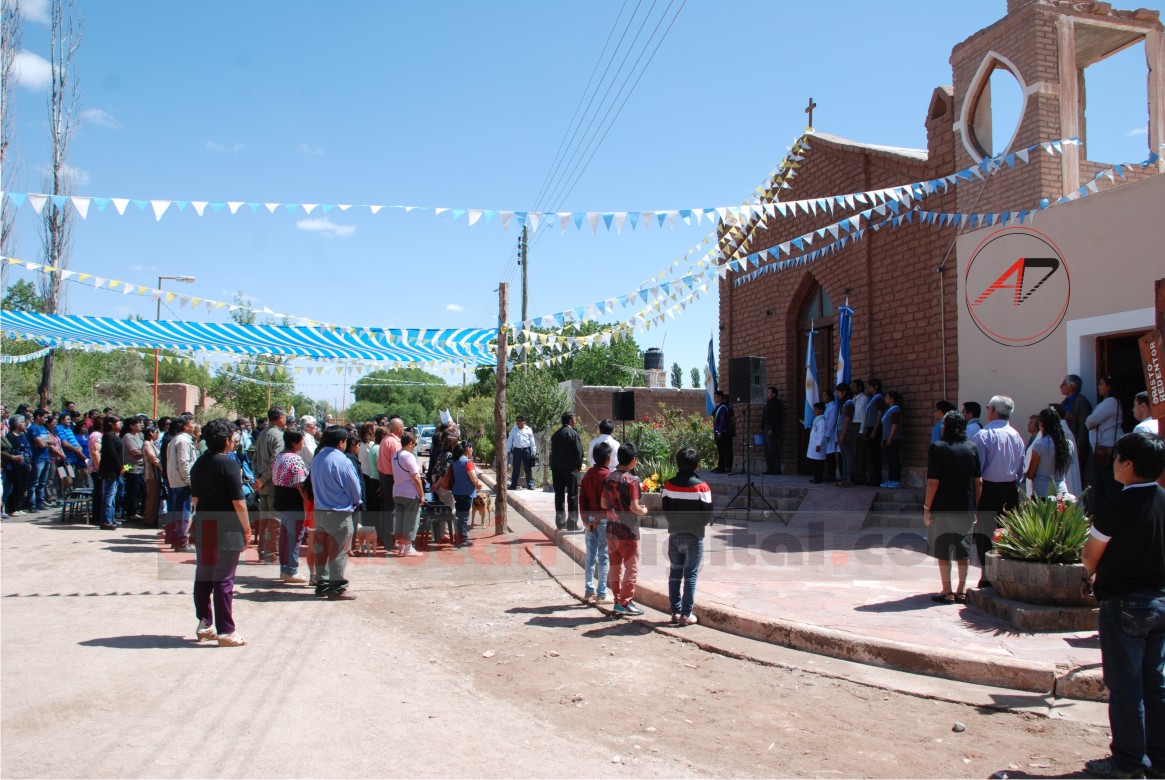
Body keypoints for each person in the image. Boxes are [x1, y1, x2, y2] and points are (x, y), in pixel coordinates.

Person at [1080, 432, 1165, 779]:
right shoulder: (1162, 500)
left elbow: (1090, 554)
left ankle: (1128, 762)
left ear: (1128, 464)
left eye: (1117, 458)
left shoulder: (1117, 504)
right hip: (1159, 600)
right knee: (1155, 683)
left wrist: (1090, 575)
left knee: (1126, 685)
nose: (1113, 464)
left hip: (1125, 603)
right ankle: (1159, 758)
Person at [190, 419, 252, 647]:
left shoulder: (198, 464)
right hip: (227, 528)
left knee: (204, 576)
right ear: (226, 440)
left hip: (205, 525)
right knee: (224, 580)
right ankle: (226, 630)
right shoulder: (229, 465)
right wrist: (247, 529)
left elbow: (195, 500)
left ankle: (205, 623)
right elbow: (239, 502)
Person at [923, 410, 982, 604]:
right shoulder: (971, 447)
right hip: (965, 506)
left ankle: (947, 591)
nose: (941, 426)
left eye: (943, 423)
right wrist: (976, 507)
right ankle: (961, 590)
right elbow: (978, 482)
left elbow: (933, 481)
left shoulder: (937, 447)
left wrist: (927, 507)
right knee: (963, 549)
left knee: (943, 548)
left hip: (942, 506)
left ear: (947, 426)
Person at [972, 395, 1026, 588]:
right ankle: (1005, 575)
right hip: (1010, 489)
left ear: (993, 411)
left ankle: (987, 576)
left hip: (988, 488)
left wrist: (975, 497)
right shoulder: (1016, 436)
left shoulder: (984, 435)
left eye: (988, 407)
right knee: (1008, 532)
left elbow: (976, 470)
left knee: (985, 534)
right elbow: (1021, 468)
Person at [310, 425, 363, 599]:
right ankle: (337, 588)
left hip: (320, 511)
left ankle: (322, 584)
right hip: (339, 512)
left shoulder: (317, 458)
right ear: (341, 442)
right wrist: (356, 502)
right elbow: (355, 489)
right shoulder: (342, 461)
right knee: (339, 550)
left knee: (322, 549)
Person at [662, 446, 713, 625]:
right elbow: (707, 513)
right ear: (697, 465)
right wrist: (698, 525)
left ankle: (675, 612)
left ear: (677, 464)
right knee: (690, 574)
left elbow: (666, 509)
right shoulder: (702, 487)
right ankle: (686, 613)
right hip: (694, 535)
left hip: (675, 534)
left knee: (675, 573)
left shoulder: (669, 484)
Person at [602, 442, 648, 616]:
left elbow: (603, 503)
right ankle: (625, 602)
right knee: (631, 567)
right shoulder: (632, 480)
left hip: (611, 530)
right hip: (628, 531)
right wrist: (644, 511)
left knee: (615, 566)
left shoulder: (609, 478)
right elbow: (635, 507)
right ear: (634, 460)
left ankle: (617, 600)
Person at [272, 429, 311, 584]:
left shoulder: (279, 457)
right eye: (302, 441)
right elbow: (301, 485)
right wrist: (307, 504)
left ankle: (285, 568)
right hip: (293, 503)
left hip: (281, 501)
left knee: (286, 536)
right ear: (295, 443)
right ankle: (290, 570)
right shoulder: (295, 459)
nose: (303, 444)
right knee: (294, 537)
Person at [250, 406, 287, 564]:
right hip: (272, 483)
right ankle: (271, 553)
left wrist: (257, 478)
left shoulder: (262, 433)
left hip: (262, 482)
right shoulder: (278, 435)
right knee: (275, 519)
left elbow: (254, 458)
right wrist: (263, 479)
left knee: (264, 518)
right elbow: (276, 461)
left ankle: (262, 551)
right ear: (280, 417)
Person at [579, 441, 613, 605]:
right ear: (608, 458)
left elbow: (582, 499)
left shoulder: (588, 475)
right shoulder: (608, 476)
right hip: (604, 520)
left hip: (591, 520)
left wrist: (585, 519)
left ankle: (588, 589)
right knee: (604, 556)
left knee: (591, 554)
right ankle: (601, 593)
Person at [1087, 375, 1125, 511]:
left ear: (1109, 387)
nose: (1099, 386)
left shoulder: (1111, 402)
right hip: (1105, 447)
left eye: (1102, 384)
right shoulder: (1109, 402)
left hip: (1108, 447)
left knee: (1108, 484)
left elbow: (1091, 420)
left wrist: (1090, 423)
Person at [165, 414, 198, 551]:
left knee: (177, 511)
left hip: (176, 481)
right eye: (192, 423)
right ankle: (181, 541)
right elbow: (184, 463)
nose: (194, 425)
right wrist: (190, 481)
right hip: (182, 482)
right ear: (185, 426)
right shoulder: (183, 441)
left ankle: (176, 539)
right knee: (183, 513)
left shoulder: (176, 439)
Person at [1026, 407, 1074, 499]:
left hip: (1042, 492)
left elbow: (1030, 474)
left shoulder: (1040, 444)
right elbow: (1066, 469)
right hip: (1061, 491)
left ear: (1041, 424)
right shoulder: (1068, 444)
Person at [391, 431, 425, 558]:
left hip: (397, 491)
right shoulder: (409, 456)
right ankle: (408, 548)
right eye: (415, 443)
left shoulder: (395, 455)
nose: (415, 446)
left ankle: (401, 547)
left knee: (399, 520)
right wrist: (421, 494)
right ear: (410, 443)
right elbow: (416, 477)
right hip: (410, 493)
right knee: (411, 521)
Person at [549, 411, 583, 531]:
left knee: (559, 495)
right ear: (570, 421)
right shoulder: (573, 434)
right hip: (570, 469)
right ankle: (572, 523)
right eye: (574, 419)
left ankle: (560, 522)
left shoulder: (556, 434)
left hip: (557, 469)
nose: (575, 421)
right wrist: (578, 467)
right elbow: (579, 453)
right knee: (572, 495)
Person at [375, 416, 404, 549]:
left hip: (384, 477)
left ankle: (386, 536)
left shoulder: (385, 440)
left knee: (387, 507)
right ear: (398, 429)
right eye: (402, 428)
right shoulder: (394, 443)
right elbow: (398, 464)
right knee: (392, 509)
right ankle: (391, 538)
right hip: (391, 478)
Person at [450, 440, 483, 549]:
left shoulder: (455, 461)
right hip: (466, 493)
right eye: (471, 448)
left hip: (457, 492)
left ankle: (458, 536)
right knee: (464, 517)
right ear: (467, 449)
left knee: (459, 515)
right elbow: (474, 479)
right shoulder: (467, 463)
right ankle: (462, 538)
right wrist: (478, 485)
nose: (472, 450)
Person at [97, 415, 124, 531]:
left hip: (116, 471)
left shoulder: (114, 435)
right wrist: (120, 467)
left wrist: (124, 467)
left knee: (112, 496)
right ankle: (106, 521)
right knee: (108, 496)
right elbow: (112, 455)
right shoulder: (108, 436)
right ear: (111, 424)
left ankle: (111, 518)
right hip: (110, 471)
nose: (120, 424)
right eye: (118, 422)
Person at [2, 415, 32, 517]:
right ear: (16, 424)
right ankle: (12, 509)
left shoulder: (24, 434)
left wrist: (29, 463)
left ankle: (18, 507)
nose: (24, 424)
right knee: (15, 487)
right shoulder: (10, 436)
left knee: (22, 487)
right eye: (22, 422)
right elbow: (11, 451)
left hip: (25, 465)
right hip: (15, 466)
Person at [25, 408, 53, 512]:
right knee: (34, 482)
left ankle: (40, 503)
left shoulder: (43, 428)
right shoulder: (33, 428)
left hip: (46, 457)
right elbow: (41, 444)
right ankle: (32, 504)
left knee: (42, 483)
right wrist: (44, 443)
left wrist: (44, 442)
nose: (46, 419)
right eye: (44, 417)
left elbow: (52, 441)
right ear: (38, 417)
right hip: (37, 458)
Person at [121, 416, 146, 523]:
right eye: (138, 423)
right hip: (131, 466)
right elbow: (133, 452)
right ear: (131, 426)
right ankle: (131, 512)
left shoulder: (141, 435)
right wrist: (147, 452)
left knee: (139, 490)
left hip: (142, 467)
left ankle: (137, 510)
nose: (141, 425)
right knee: (132, 489)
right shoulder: (128, 437)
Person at [880, 391, 904, 489]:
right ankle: (891, 478)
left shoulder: (896, 409)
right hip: (887, 438)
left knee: (894, 459)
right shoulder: (888, 410)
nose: (885, 398)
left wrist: (890, 438)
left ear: (892, 399)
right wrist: (884, 439)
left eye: (886, 397)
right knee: (889, 459)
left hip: (894, 439)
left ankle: (896, 479)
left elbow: (895, 425)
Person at [505, 416, 537, 490]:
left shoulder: (528, 430)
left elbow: (532, 441)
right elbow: (510, 441)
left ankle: (530, 485)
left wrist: (533, 451)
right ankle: (513, 485)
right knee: (516, 468)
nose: (518, 422)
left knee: (527, 468)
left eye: (519, 421)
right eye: (517, 421)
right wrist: (507, 451)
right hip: (517, 451)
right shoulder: (514, 430)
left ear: (524, 421)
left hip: (526, 450)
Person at [864, 379, 885, 487]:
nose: (868, 388)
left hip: (875, 428)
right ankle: (873, 476)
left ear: (876, 386)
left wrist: (875, 430)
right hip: (869, 427)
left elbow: (879, 415)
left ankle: (877, 477)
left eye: (869, 386)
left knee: (876, 453)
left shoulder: (879, 398)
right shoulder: (871, 399)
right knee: (871, 454)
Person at [142, 425, 163, 529]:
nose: (158, 434)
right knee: (152, 498)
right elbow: (152, 458)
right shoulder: (147, 444)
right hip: (151, 475)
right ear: (151, 433)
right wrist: (161, 467)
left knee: (155, 498)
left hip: (155, 475)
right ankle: (149, 520)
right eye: (156, 432)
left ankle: (152, 518)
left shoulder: (152, 444)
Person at [836, 383, 856, 487]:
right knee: (843, 455)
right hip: (840, 431)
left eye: (838, 392)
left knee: (848, 455)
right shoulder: (843, 403)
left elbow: (847, 419)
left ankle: (849, 478)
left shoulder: (849, 403)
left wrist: (843, 434)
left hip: (846, 432)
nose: (837, 394)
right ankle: (844, 476)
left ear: (844, 392)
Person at [712, 391, 735, 474]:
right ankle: (720, 466)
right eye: (714, 397)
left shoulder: (723, 407)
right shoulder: (718, 407)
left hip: (723, 432)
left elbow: (723, 421)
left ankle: (723, 467)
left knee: (723, 450)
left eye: (716, 397)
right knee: (720, 450)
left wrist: (719, 432)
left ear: (720, 397)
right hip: (718, 432)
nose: (714, 398)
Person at [762, 386, 784, 475]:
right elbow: (764, 416)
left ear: (774, 394)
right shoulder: (768, 403)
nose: (767, 394)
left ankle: (776, 469)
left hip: (772, 428)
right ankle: (770, 468)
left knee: (773, 449)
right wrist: (761, 428)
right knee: (766, 449)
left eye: (769, 392)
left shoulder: (776, 403)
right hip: (766, 427)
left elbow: (776, 417)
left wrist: (772, 429)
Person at [850, 380, 868, 483]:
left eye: (854, 386)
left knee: (860, 453)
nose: (852, 388)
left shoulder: (864, 399)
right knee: (853, 452)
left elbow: (864, 415)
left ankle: (860, 476)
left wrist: (861, 430)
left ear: (860, 388)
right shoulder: (852, 399)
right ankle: (854, 474)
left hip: (859, 426)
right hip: (852, 426)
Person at [806, 401, 827, 483]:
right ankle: (816, 477)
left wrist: (818, 444)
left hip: (818, 445)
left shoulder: (822, 421)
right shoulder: (817, 419)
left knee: (818, 463)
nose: (814, 411)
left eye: (816, 409)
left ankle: (819, 478)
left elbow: (822, 434)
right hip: (813, 444)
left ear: (821, 410)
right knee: (814, 462)